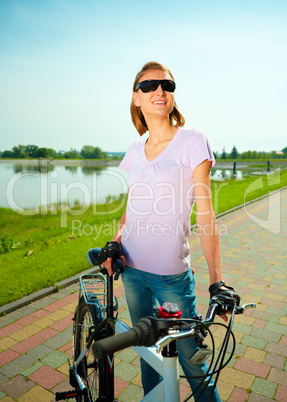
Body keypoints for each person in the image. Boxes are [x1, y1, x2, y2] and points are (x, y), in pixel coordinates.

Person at [97, 61, 240, 401]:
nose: (159, 90)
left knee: (192, 363)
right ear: (136, 98)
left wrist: (216, 279)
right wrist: (116, 242)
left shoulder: (192, 141)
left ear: (173, 96)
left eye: (167, 85)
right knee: (149, 352)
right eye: (149, 86)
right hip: (131, 271)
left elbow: (205, 213)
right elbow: (133, 208)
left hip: (172, 277)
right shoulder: (135, 150)